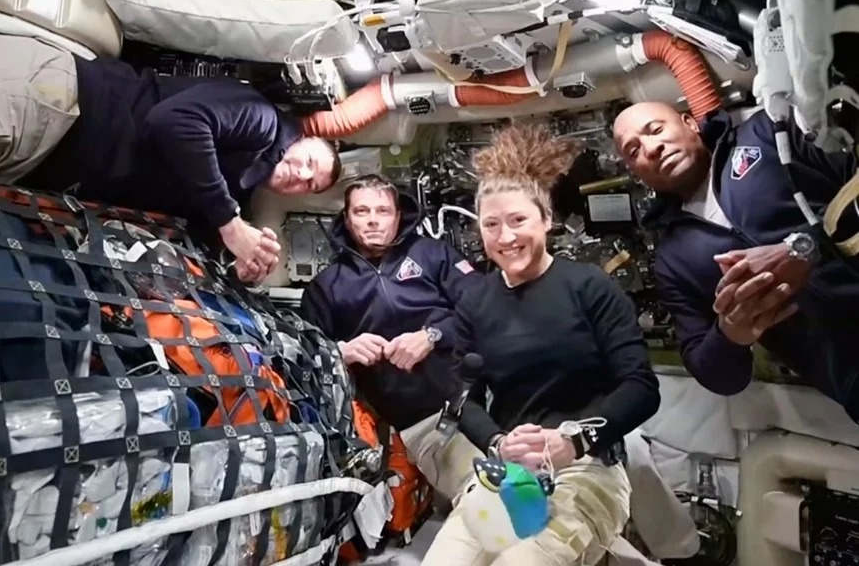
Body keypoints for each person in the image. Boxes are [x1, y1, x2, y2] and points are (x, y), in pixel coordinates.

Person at [0, 32, 341, 283]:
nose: (301, 176)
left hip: (35, 153)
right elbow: (175, 123)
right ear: (298, 137)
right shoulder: (261, 120)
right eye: (309, 162)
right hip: (39, 104)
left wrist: (240, 263)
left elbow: (192, 224)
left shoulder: (234, 184)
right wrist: (231, 225)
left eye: (310, 186)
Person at [423, 124, 661, 566]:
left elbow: (641, 387)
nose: (505, 237)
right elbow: (462, 398)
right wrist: (497, 442)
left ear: (546, 220)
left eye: (518, 221)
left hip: (587, 467)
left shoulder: (589, 287)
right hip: (510, 472)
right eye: (491, 225)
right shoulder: (475, 302)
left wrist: (574, 440)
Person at [612, 101, 859, 420]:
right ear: (634, 172)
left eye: (656, 129)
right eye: (633, 151)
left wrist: (806, 247)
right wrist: (730, 333)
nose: (651, 148)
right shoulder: (673, 261)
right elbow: (717, 377)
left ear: (690, 123)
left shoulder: (768, 133)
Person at [299, 174, 484, 498]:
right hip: (424, 422)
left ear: (398, 216)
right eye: (362, 211)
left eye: (382, 211)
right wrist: (341, 352)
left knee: (537, 485)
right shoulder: (327, 286)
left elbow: (484, 310)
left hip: (481, 397)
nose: (373, 220)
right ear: (347, 219)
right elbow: (303, 361)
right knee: (487, 493)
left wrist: (433, 336)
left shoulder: (434, 255)